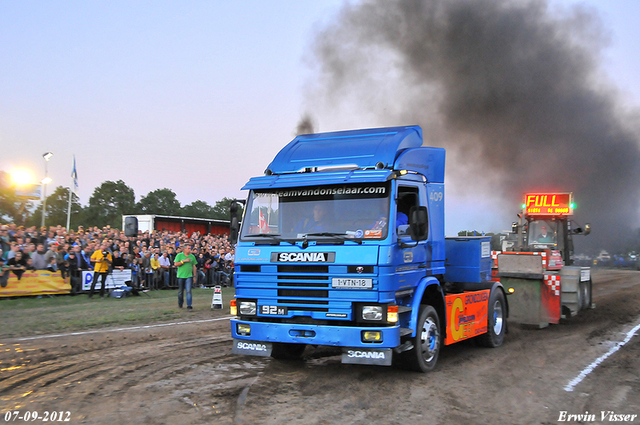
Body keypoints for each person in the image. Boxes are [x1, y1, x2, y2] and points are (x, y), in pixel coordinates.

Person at [174, 244, 197, 310]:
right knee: (180, 291)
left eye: (190, 248)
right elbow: (176, 264)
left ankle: (189, 305)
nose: (189, 250)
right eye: (188, 248)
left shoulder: (192, 256)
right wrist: (183, 261)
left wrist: (194, 276)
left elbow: (194, 266)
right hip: (181, 276)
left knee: (189, 290)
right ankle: (180, 303)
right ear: (184, 249)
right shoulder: (179, 255)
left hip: (189, 276)